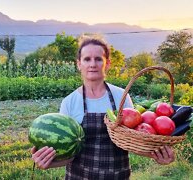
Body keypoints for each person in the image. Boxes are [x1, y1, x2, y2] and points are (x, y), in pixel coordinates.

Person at [31, 34, 175, 179]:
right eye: (87, 59)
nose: (92, 64)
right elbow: (69, 156)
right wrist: (48, 163)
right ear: (79, 64)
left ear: (107, 63)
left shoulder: (121, 96)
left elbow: (132, 142)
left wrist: (156, 155)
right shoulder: (70, 102)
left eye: (98, 59)